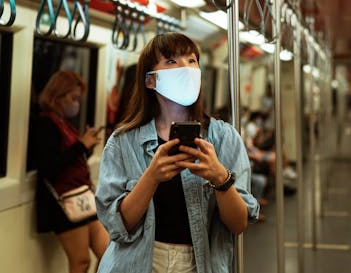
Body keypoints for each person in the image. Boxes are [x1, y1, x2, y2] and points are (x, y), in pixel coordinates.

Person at [95, 33, 259, 273]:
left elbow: (238, 224)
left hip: (199, 263)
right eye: (172, 61)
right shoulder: (123, 142)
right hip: (137, 263)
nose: (186, 68)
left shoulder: (224, 138)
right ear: (150, 80)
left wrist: (220, 178)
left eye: (192, 60)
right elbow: (118, 226)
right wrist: (151, 177)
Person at [34, 71, 109, 272]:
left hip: (83, 196)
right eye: (74, 98)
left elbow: (71, 158)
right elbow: (49, 167)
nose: (77, 104)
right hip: (65, 202)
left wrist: (86, 146)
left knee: (109, 254)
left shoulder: (65, 123)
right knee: (81, 261)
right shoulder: (46, 124)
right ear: (57, 96)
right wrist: (81, 146)